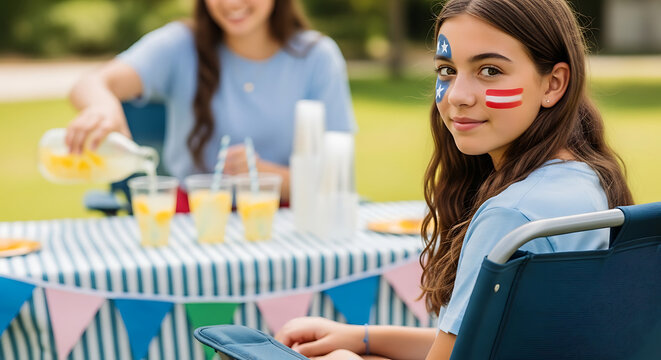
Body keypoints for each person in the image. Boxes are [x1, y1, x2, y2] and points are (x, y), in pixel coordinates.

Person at [274, 0, 633, 359]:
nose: (457, 96)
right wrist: (362, 338)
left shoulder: (512, 217)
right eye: (446, 70)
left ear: (553, 84)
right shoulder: (588, 179)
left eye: (490, 70)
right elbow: (472, 345)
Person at [65, 0, 355, 210]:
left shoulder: (317, 57)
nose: (230, 3)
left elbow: (335, 180)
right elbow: (89, 83)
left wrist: (265, 175)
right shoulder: (179, 45)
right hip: (189, 222)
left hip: (290, 222)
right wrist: (102, 106)